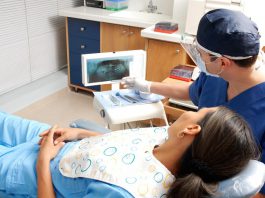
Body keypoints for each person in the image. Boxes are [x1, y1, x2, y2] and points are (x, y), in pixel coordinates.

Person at [122, 8, 265, 196]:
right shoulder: (215, 76)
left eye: (200, 53)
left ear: (223, 62)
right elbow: (191, 91)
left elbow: (258, 186)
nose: (197, 57)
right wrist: (147, 86)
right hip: (179, 171)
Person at [0, 107, 260, 198]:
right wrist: (78, 134)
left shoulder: (123, 192)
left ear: (191, 130)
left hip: (36, 170)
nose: (191, 111)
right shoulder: (171, 142)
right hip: (63, 143)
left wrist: (43, 161)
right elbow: (125, 145)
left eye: (198, 111)